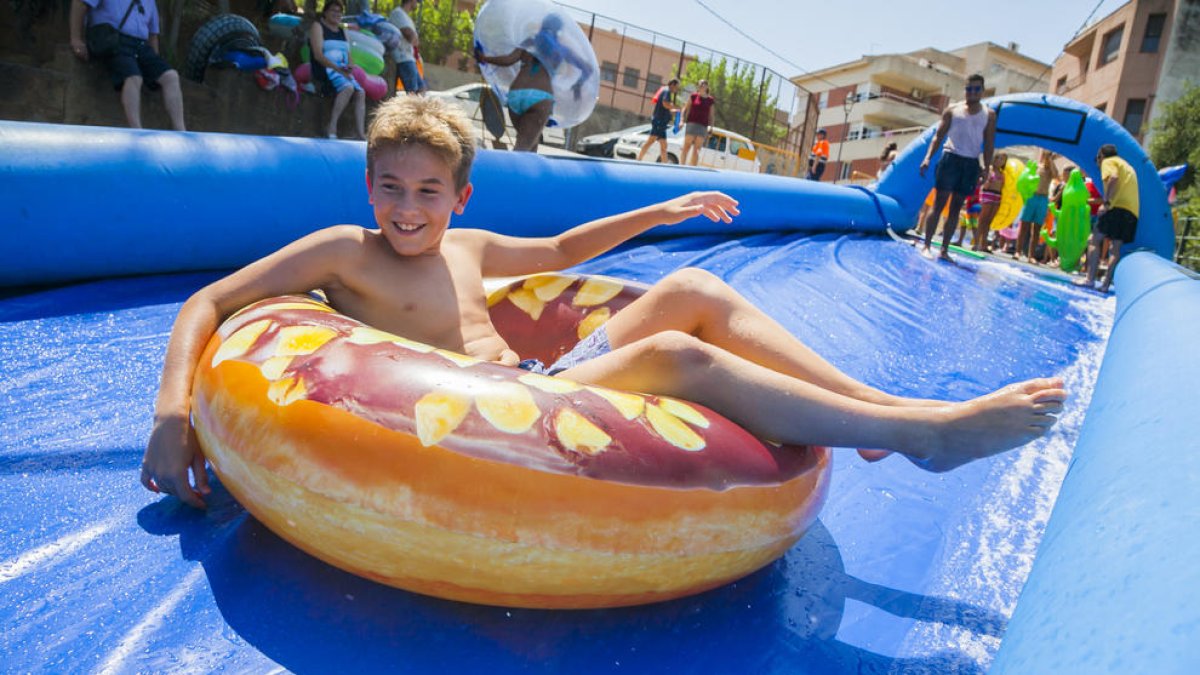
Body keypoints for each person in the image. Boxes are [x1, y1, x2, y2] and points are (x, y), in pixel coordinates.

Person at [140, 95, 1067, 508]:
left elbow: (558, 251)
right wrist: (173, 410)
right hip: (471, 415)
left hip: (546, 382)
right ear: (368, 187)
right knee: (687, 359)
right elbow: (209, 301)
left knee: (696, 290)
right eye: (391, 186)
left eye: (428, 191)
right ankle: (926, 435)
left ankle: (885, 412)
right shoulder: (348, 252)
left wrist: (664, 206)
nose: (407, 209)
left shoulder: (466, 245)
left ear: (459, 198)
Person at [475, 14, 592, 153]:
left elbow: (508, 60)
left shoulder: (529, 41)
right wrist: (577, 85)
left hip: (515, 96)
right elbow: (587, 69)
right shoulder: (562, 50)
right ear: (559, 31)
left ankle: (526, 173)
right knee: (523, 147)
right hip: (539, 98)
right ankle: (509, 173)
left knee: (530, 143)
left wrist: (485, 59)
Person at [69, 0, 186, 131]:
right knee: (134, 77)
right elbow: (80, 3)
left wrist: (153, 65)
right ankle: (136, 130)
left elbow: (152, 35)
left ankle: (181, 131)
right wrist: (76, 39)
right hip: (113, 39)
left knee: (171, 76)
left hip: (140, 45)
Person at [918, 74, 996, 261]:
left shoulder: (989, 115)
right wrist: (928, 157)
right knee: (939, 205)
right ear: (965, 90)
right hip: (950, 158)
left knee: (956, 209)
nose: (972, 92)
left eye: (976, 89)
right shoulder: (953, 110)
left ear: (982, 91)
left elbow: (989, 143)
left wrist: (986, 167)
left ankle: (944, 250)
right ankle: (927, 245)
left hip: (970, 163)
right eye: (969, 89)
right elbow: (938, 136)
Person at [1080, 144, 1139, 293]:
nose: (1098, 163)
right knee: (1115, 247)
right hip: (1132, 210)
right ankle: (1105, 285)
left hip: (1117, 206)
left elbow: (1113, 177)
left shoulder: (1109, 161)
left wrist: (1106, 202)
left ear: (1101, 156)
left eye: (1097, 159)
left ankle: (1089, 280)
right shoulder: (1126, 165)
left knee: (1093, 240)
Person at [309, 0, 367, 140]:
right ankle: (332, 126)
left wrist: (350, 67)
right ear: (325, 12)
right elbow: (318, 55)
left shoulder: (343, 31)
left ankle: (360, 133)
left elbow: (349, 56)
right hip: (325, 68)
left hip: (341, 70)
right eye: (333, 11)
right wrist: (338, 69)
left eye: (339, 12)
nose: (337, 14)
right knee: (348, 88)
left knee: (361, 92)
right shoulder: (318, 26)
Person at [1016, 150, 1058, 264]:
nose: (1047, 156)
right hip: (1032, 197)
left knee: (1037, 229)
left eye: (1049, 154)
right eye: (1046, 154)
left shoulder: (1051, 169)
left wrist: (1051, 160)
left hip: (1043, 198)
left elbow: (1056, 176)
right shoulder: (1037, 166)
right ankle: (1018, 251)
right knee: (1024, 225)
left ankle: (1031, 255)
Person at [634, 78, 681, 163]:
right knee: (651, 141)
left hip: (661, 122)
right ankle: (639, 159)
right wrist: (675, 107)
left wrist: (673, 111)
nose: (677, 89)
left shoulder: (665, 91)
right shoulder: (667, 91)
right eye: (677, 87)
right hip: (659, 121)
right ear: (672, 85)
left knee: (663, 145)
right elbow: (665, 104)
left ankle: (664, 164)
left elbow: (665, 107)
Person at [387, 0, 425, 94]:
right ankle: (411, 108)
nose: (417, 3)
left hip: (409, 58)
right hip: (402, 58)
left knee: (421, 89)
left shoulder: (406, 17)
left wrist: (414, 38)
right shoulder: (398, 13)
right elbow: (410, 36)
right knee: (413, 92)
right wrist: (414, 37)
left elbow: (415, 41)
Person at [974, 152, 1007, 253]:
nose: (1000, 161)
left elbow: (1002, 187)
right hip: (988, 194)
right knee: (982, 219)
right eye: (999, 159)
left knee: (989, 221)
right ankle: (976, 243)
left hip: (997, 196)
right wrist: (989, 180)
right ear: (995, 159)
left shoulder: (1002, 174)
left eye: (1003, 160)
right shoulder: (990, 170)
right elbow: (985, 185)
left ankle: (984, 244)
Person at [680, 80, 715, 166]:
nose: (703, 85)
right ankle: (681, 167)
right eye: (701, 84)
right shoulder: (693, 96)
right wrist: (681, 120)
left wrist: (711, 127)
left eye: (705, 84)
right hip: (691, 124)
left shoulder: (710, 100)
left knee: (697, 149)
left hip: (703, 126)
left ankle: (692, 169)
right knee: (686, 147)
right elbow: (685, 108)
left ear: (707, 87)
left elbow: (711, 115)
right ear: (698, 86)